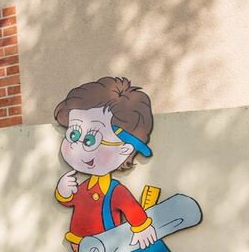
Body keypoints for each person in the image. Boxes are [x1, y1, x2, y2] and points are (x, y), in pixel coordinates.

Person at [53, 77, 168, 251]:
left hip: (105, 245)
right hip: (80, 244)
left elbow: (130, 207)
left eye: (90, 139)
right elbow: (73, 201)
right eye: (74, 135)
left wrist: (142, 227)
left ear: (124, 150)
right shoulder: (85, 186)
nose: (76, 146)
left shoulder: (114, 191)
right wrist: (63, 191)